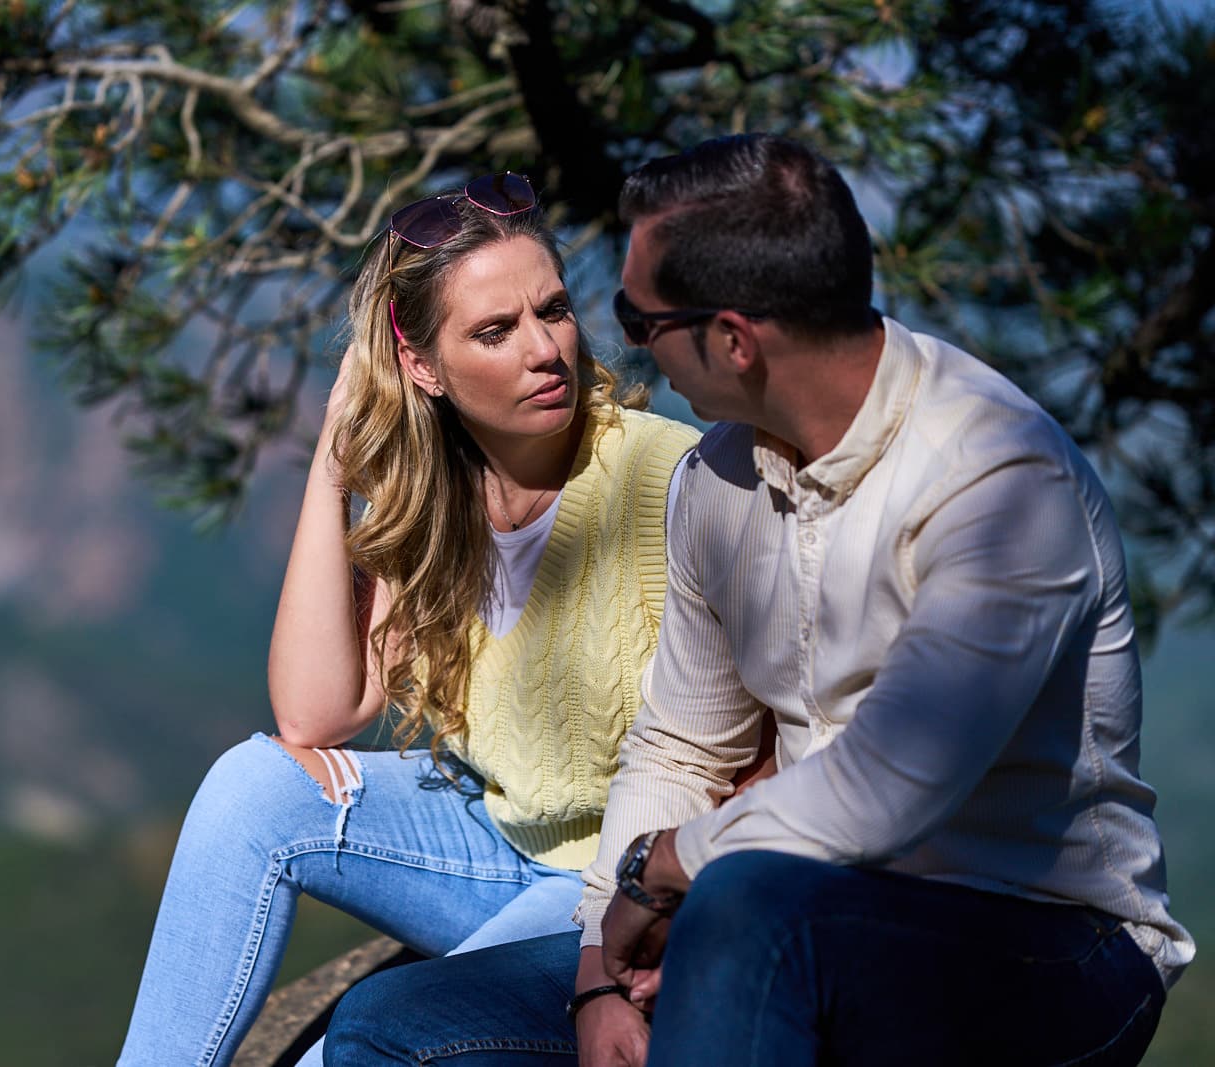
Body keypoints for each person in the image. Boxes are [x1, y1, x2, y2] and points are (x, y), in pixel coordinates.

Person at [324, 134, 1195, 1067]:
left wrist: (663, 874)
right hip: (780, 911)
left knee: (752, 919)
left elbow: (885, 790)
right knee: (388, 1023)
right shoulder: (719, 477)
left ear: (732, 339)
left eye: (634, 312)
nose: (607, 343)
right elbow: (679, 741)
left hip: (1047, 942)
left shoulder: (997, 483)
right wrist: (595, 973)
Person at [113, 174, 711, 1067]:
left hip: (608, 878)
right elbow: (316, 717)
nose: (545, 349)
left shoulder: (667, 481)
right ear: (422, 367)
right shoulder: (435, 491)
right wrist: (335, 460)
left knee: (349, 1051)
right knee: (250, 787)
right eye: (495, 331)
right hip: (489, 835)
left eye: (551, 309)